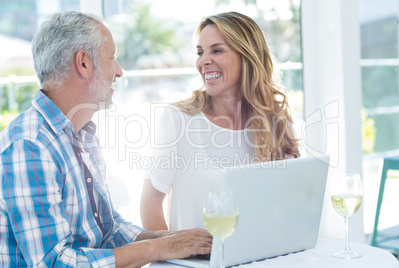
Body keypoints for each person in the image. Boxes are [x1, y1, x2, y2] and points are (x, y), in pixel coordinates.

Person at [0, 11, 211, 267]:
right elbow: (52, 262)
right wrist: (158, 248)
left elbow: (108, 228)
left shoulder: (82, 135)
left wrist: (172, 239)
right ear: (84, 63)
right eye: (112, 58)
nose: (119, 71)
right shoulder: (29, 145)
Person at [140, 11, 300, 231]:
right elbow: (150, 204)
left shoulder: (276, 121)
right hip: (194, 264)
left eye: (217, 50)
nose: (203, 61)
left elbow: (292, 201)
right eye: (200, 52)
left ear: (248, 56)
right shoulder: (178, 119)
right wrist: (172, 257)